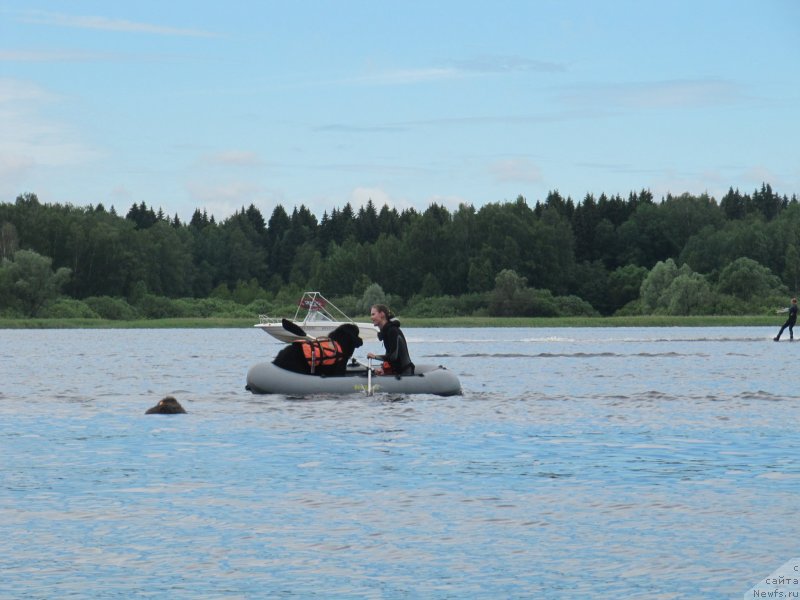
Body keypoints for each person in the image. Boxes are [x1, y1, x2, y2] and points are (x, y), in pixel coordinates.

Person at [366, 304, 415, 375]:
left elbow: (393, 357)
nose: (371, 317)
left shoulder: (392, 331)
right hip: (396, 371)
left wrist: (375, 356)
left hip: (405, 373)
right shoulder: (386, 331)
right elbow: (390, 355)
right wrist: (383, 369)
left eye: (373, 314)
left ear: (382, 314)